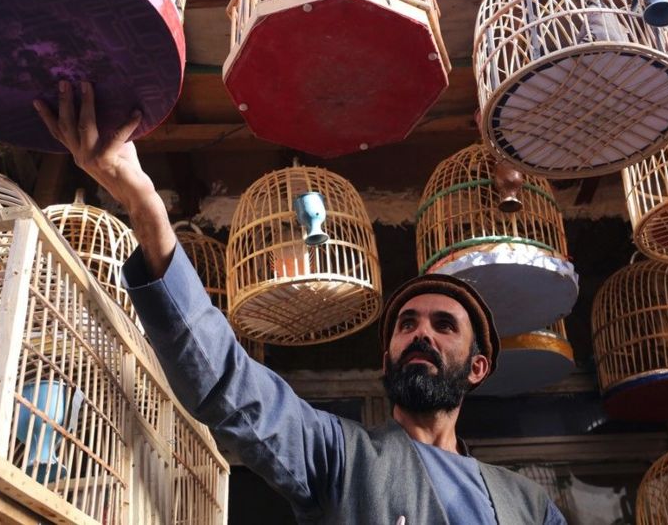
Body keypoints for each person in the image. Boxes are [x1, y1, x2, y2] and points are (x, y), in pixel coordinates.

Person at [35, 81, 567, 524]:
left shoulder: (528, 505)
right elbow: (227, 381)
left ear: (477, 367)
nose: (421, 333)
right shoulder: (341, 457)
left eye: (444, 325)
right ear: (386, 359)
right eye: (407, 324)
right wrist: (144, 204)